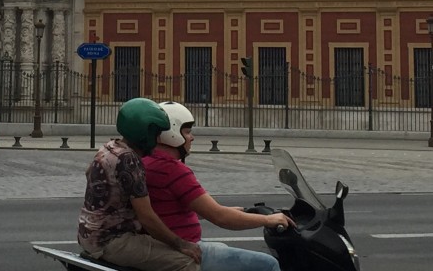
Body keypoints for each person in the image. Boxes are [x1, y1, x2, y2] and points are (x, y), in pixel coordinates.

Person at [143, 101, 293, 271]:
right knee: (269, 264)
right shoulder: (172, 170)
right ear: (172, 134)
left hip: (164, 246)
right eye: (187, 131)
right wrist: (268, 220)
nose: (192, 137)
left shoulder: (147, 162)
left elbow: (172, 209)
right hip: (186, 249)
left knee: (223, 248)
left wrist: (232, 211)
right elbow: (221, 217)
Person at [77, 97, 201, 271]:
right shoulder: (130, 161)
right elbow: (146, 216)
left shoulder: (109, 147)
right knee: (186, 262)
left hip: (88, 234)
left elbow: (88, 172)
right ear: (145, 133)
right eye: (156, 133)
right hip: (112, 240)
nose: (158, 138)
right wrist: (181, 244)